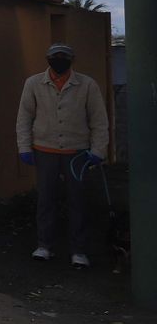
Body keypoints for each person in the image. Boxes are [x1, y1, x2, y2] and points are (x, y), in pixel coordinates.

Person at [16, 43, 110, 269]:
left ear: (72, 60)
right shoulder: (33, 83)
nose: (59, 60)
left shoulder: (87, 85)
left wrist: (98, 150)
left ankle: (79, 250)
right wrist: (24, 147)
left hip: (76, 153)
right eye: (55, 56)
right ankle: (44, 245)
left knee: (78, 201)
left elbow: (99, 120)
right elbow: (24, 117)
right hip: (44, 150)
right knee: (45, 200)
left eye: (64, 57)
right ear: (47, 59)